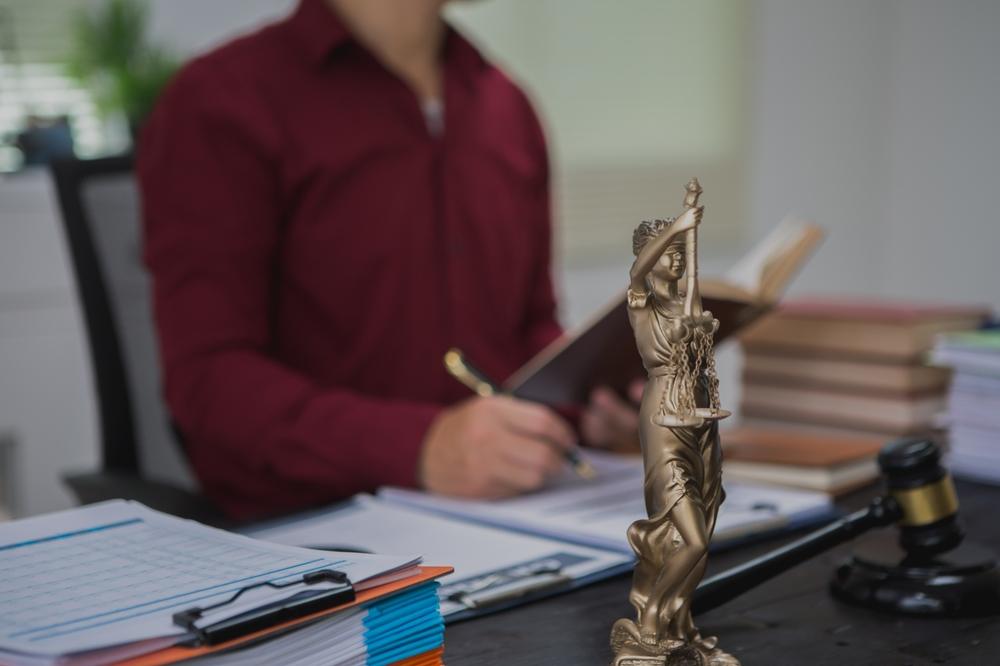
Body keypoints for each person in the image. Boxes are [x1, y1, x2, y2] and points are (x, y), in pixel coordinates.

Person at [138, 0, 639, 520]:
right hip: (317, 525)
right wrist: (420, 447)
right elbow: (209, 378)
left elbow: (526, 326)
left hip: (519, 509)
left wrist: (587, 408)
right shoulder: (224, 100)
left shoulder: (505, 104)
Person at [610, 183, 735, 665]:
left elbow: (698, 341)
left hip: (701, 419)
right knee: (690, 535)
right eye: (670, 252)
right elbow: (637, 270)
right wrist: (679, 225)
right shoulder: (640, 301)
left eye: (683, 252)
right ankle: (649, 622)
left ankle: (680, 623)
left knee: (703, 531)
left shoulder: (685, 304)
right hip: (664, 417)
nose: (678, 258)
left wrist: (700, 322)